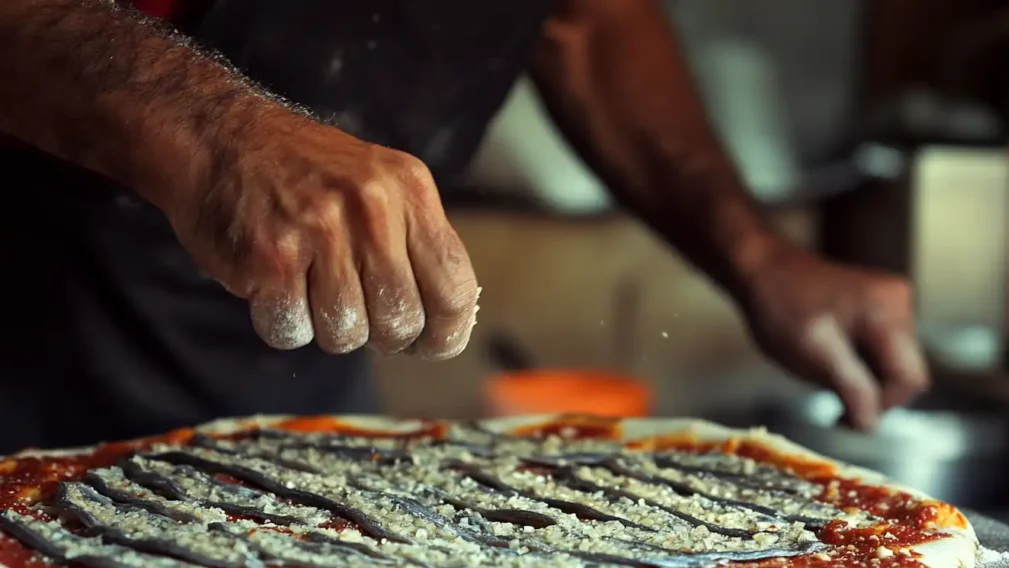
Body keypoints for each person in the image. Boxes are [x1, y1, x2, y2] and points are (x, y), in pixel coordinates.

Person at [0, 0, 929, 452]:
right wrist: (216, 129)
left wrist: (756, 251)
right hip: (36, 342)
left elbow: (584, 22)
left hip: (304, 378)